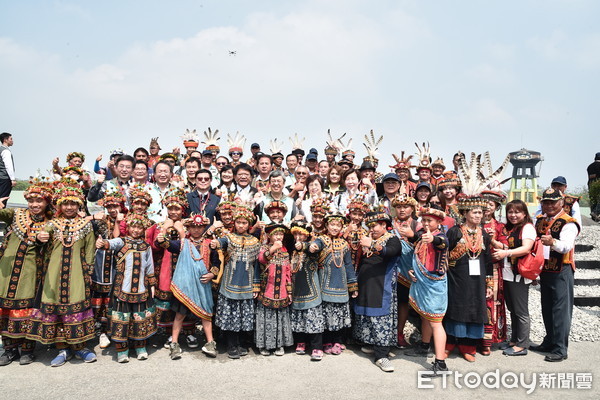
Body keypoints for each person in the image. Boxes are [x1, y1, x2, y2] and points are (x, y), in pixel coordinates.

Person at [29, 179, 97, 367]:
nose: (69, 207)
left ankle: (80, 348)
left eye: (73, 203)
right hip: (54, 276)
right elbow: (41, 240)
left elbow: (90, 251)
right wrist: (40, 237)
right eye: (65, 203)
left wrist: (88, 272)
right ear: (59, 204)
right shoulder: (52, 224)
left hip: (77, 275)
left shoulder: (85, 225)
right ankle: (62, 349)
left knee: (77, 309)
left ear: (78, 204)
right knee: (57, 310)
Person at [0, 178, 53, 366]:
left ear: (47, 202)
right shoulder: (16, 214)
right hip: (7, 271)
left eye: (39, 201)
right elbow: (1, 213)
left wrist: (42, 237)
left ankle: (27, 350)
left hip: (31, 273)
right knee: (5, 308)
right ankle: (9, 349)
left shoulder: (50, 222)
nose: (34, 204)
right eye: (31, 201)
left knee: (27, 309)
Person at [96, 212, 156, 363]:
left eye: (139, 227)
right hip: (122, 288)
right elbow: (109, 244)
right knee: (121, 318)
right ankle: (122, 350)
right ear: (128, 227)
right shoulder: (121, 242)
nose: (136, 230)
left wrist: (152, 284)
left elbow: (149, 266)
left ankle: (140, 347)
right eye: (133, 226)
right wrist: (102, 243)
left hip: (142, 289)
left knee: (139, 319)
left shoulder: (146, 246)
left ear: (143, 230)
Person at [530, 188, 579, 362]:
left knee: (560, 310)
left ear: (561, 203)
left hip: (562, 270)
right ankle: (550, 340)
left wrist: (553, 242)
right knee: (547, 308)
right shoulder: (540, 221)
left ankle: (560, 348)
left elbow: (566, 246)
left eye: (553, 202)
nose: (549, 205)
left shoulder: (568, 222)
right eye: (546, 202)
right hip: (545, 270)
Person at [162, 213, 221, 359]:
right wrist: (164, 231)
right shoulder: (183, 243)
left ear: (204, 227)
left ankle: (210, 342)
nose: (196, 230)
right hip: (186, 286)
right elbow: (166, 244)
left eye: (199, 227)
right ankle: (174, 343)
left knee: (206, 315)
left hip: (203, 284)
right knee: (180, 315)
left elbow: (216, 262)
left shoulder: (210, 243)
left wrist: (212, 274)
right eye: (193, 227)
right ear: (188, 227)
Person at [445, 195, 493, 362]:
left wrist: (489, 283)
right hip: (457, 278)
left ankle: (468, 347)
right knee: (456, 308)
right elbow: (444, 255)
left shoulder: (484, 234)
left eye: (480, 212)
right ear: (465, 213)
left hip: (477, 280)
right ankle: (449, 344)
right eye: (474, 212)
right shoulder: (455, 232)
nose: (478, 216)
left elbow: (488, 260)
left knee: (474, 310)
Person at [354, 211, 401, 373]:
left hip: (382, 284)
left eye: (374, 226)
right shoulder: (370, 239)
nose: (371, 229)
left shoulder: (392, 239)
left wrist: (372, 244)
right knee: (366, 314)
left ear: (383, 225)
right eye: (370, 226)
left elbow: (391, 252)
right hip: (367, 283)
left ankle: (382, 355)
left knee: (380, 316)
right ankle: (372, 344)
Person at [211, 206, 261, 359]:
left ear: (249, 225)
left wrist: (256, 285)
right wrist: (215, 244)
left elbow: (257, 265)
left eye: (244, 223)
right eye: (238, 222)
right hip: (230, 282)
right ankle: (231, 344)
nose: (241, 225)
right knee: (231, 314)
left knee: (242, 315)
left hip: (246, 283)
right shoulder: (230, 237)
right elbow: (221, 242)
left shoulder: (255, 241)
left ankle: (240, 343)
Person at [406, 207, 449, 375]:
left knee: (435, 321)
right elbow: (418, 256)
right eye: (423, 220)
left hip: (433, 285)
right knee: (425, 315)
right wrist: (412, 271)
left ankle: (441, 363)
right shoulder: (421, 238)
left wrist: (432, 238)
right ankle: (424, 346)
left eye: (429, 221)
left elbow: (441, 243)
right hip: (422, 282)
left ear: (438, 222)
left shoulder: (441, 236)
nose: (425, 223)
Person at [308, 211, 358, 356]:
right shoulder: (322, 239)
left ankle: (337, 340)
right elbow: (315, 245)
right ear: (327, 225)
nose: (335, 228)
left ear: (342, 227)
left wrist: (352, 285)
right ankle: (326, 341)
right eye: (332, 225)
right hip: (325, 284)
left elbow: (348, 265)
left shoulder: (344, 244)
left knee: (338, 315)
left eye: (338, 225)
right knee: (326, 314)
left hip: (341, 285)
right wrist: (313, 247)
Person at [492, 199, 535, 357]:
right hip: (509, 273)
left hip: (520, 274)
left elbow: (526, 248)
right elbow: (510, 247)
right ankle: (515, 340)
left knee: (521, 311)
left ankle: (522, 344)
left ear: (524, 213)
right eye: (510, 212)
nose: (513, 215)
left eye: (517, 212)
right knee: (513, 309)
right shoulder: (512, 229)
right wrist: (494, 242)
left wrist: (506, 253)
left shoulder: (528, 227)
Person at [90, 189, 126, 350]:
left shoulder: (125, 219)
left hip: (116, 263)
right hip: (100, 263)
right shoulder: (99, 220)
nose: (112, 209)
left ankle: (113, 329)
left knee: (114, 296)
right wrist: (92, 216)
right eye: (109, 206)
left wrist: (118, 222)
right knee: (100, 297)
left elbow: (117, 239)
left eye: (115, 206)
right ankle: (100, 330)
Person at [256, 223, 294, 356]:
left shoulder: (285, 251)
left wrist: (289, 291)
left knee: (280, 318)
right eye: (275, 234)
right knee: (266, 318)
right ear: (269, 236)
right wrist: (272, 249)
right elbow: (261, 259)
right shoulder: (264, 248)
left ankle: (279, 344)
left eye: (281, 234)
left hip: (281, 291)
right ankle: (264, 345)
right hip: (267, 289)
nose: (279, 237)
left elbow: (288, 272)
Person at [389, 194, 421, 350]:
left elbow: (424, 245)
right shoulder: (389, 225)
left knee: (403, 303)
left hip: (408, 271)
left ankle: (399, 333)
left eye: (405, 207)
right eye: (399, 207)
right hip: (390, 269)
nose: (402, 210)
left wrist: (412, 237)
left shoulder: (417, 225)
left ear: (412, 208)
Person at [289, 222, 324, 361]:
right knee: (298, 317)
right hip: (297, 289)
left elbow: (314, 248)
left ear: (307, 235)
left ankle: (317, 346)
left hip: (311, 289)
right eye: (296, 234)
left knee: (313, 318)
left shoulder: (312, 245)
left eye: (301, 234)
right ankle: (301, 342)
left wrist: (304, 246)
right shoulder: (293, 250)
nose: (298, 237)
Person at [480, 190, 508, 355]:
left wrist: (492, 240)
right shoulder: (473, 222)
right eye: (484, 204)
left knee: (492, 302)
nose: (486, 207)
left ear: (496, 207)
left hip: (494, 269)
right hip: (474, 268)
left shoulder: (499, 226)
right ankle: (473, 338)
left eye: (491, 204)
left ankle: (488, 340)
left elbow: (506, 247)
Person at [0, 133, 15, 201]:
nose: (12, 141)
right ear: (5, 140)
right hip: (5, 178)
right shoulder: (5, 151)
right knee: (3, 199)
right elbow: (8, 166)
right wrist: (12, 179)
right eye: (11, 139)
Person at [587, 152, 600, 221]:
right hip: (598, 184)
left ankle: (593, 217)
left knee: (593, 200)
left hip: (590, 184)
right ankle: (595, 212)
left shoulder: (590, 166)